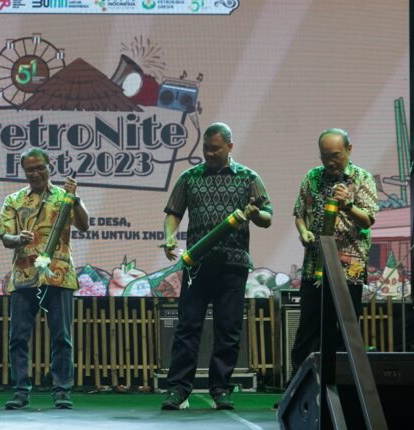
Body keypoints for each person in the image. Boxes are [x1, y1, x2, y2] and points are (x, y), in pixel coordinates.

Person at [160, 122, 272, 411]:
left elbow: (267, 217)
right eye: (206, 149)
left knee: (228, 329)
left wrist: (254, 213)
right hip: (196, 265)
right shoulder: (190, 177)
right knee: (188, 327)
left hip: (234, 266)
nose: (209, 154)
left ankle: (221, 390)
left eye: (215, 149)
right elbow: (173, 213)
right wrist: (170, 236)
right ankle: (178, 390)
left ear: (230, 147)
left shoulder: (249, 177)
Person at [0, 148, 89, 410]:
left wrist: (75, 198)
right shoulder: (13, 200)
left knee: (62, 338)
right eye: (30, 170)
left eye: (40, 168)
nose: (36, 173)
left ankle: (62, 391)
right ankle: (21, 391)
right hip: (24, 275)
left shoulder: (64, 196)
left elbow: (84, 225)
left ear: (50, 167)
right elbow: (4, 237)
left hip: (59, 276)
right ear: (24, 172)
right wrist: (18, 238)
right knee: (18, 338)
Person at [289, 128, 378, 375]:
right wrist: (303, 232)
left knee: (344, 330)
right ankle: (299, 387)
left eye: (336, 155)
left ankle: (344, 383)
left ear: (349, 150)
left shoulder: (362, 178)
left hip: (349, 268)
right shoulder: (313, 177)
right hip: (315, 267)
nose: (330, 162)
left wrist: (347, 205)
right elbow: (299, 214)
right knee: (308, 328)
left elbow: (368, 220)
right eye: (325, 156)